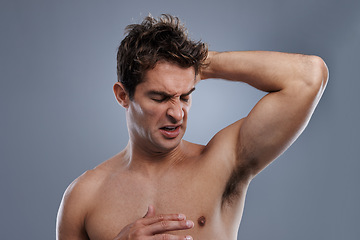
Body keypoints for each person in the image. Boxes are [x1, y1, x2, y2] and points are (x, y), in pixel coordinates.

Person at [56, 14, 328, 240]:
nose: (177, 113)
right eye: (160, 97)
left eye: (185, 96)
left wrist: (202, 63)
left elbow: (309, 77)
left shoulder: (223, 161)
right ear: (123, 95)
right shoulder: (84, 196)